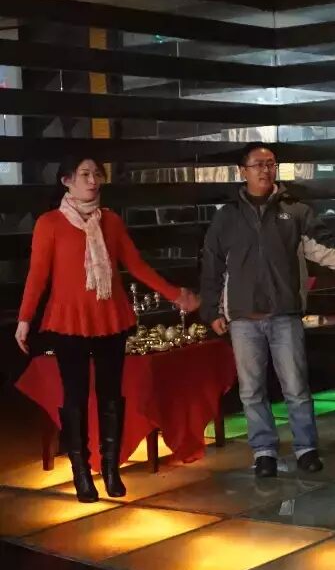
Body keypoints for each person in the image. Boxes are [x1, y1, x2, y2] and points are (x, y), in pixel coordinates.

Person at [200, 142, 335, 479]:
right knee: (251, 391)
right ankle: (264, 452)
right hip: (243, 318)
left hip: (285, 314)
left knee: (296, 387)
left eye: (270, 164)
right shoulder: (227, 216)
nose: (265, 170)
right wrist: (212, 310)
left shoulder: (296, 211)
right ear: (243, 171)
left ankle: (306, 448)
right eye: (258, 164)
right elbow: (212, 266)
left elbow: (326, 248)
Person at [16, 156, 199, 503]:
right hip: (68, 321)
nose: (93, 180)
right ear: (67, 180)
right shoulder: (49, 223)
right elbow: (37, 276)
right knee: (74, 397)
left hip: (110, 317)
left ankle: (111, 469)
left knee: (111, 395)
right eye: (85, 174)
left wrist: (175, 294)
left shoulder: (110, 221)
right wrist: (25, 320)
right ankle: (81, 472)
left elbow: (136, 266)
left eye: (97, 174)